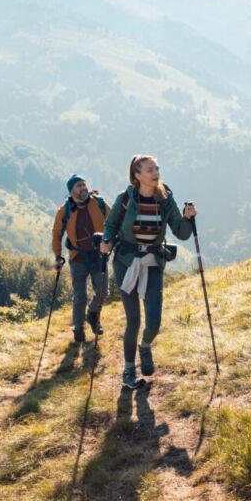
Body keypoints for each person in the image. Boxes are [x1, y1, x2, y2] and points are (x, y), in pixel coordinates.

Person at [100, 154, 197, 389]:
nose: (156, 173)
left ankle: (145, 346)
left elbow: (182, 233)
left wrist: (187, 218)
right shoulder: (125, 199)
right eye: (150, 169)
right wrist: (106, 240)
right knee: (133, 319)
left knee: (153, 321)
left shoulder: (165, 199)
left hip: (153, 261)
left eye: (157, 169)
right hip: (126, 261)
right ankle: (128, 371)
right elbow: (111, 225)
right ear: (137, 175)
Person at [51, 174, 109, 343]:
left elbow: (112, 221)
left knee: (103, 291)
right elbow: (56, 234)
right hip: (77, 258)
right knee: (79, 296)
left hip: (98, 256)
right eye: (78, 186)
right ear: (71, 191)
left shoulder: (98, 203)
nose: (83, 188)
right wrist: (58, 256)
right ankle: (78, 327)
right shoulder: (64, 210)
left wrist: (111, 242)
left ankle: (92, 315)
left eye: (84, 184)